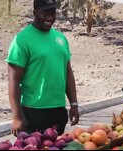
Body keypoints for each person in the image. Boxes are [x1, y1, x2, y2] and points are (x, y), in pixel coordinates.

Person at [6, 0, 80, 136]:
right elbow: (13, 80)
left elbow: (68, 73)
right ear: (35, 12)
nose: (50, 17)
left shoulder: (61, 38)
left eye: (53, 12)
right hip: (33, 112)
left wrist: (74, 105)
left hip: (58, 110)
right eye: (45, 13)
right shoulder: (21, 40)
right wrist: (16, 117)